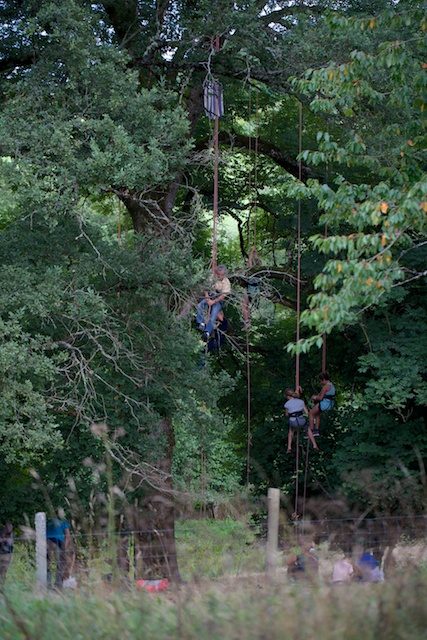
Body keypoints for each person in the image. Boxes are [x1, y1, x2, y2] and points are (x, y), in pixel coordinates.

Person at [196, 265, 231, 341]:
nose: (219, 277)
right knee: (200, 305)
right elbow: (206, 287)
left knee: (214, 313)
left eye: (221, 275)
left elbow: (223, 296)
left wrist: (213, 302)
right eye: (218, 275)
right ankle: (201, 323)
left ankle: (207, 332)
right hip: (210, 295)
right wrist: (207, 297)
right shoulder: (212, 277)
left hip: (218, 300)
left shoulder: (226, 282)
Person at [284, 388, 318, 453]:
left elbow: (286, 414)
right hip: (301, 420)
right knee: (308, 429)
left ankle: (289, 446)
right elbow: (306, 412)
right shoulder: (301, 401)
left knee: (291, 431)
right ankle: (314, 444)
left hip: (293, 421)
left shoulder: (287, 404)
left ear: (287, 396)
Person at [46, 515, 71, 589]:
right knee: (61, 562)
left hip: (47, 541)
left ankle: (47, 584)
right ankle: (58, 584)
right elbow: (67, 535)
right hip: (59, 541)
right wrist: (65, 548)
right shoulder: (64, 522)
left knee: (46, 563)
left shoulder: (48, 522)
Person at [308, 371, 335, 436]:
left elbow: (320, 397)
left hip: (325, 404)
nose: (320, 382)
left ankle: (311, 430)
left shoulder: (325, 386)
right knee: (317, 414)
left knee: (311, 413)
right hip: (330, 404)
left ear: (324, 379)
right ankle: (316, 430)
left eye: (321, 381)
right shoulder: (332, 385)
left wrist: (314, 397)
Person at [241, 247, 261, 330]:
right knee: (246, 305)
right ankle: (248, 319)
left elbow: (250, 261)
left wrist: (251, 253)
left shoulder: (252, 270)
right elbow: (256, 260)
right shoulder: (260, 270)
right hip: (256, 290)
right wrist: (255, 253)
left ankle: (246, 321)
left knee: (243, 305)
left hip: (251, 290)